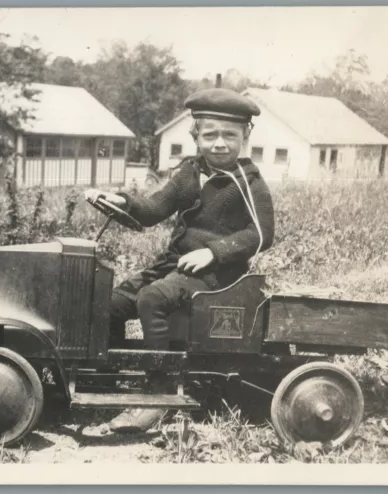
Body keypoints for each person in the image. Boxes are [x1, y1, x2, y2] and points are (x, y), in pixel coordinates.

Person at [84, 87, 275, 433]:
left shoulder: (248, 182)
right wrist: (124, 201)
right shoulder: (189, 173)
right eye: (210, 135)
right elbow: (154, 208)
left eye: (230, 135)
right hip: (176, 265)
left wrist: (214, 252)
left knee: (152, 299)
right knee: (110, 303)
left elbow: (262, 234)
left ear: (246, 136)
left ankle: (159, 393)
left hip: (219, 275)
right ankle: (107, 377)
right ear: (195, 135)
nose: (220, 143)